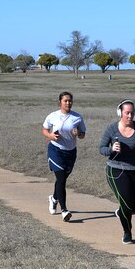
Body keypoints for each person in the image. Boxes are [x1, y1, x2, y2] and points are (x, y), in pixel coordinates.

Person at [99, 100, 135, 244]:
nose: (130, 116)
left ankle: (121, 211)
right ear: (120, 113)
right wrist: (111, 150)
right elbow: (101, 149)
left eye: (132, 113)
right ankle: (127, 232)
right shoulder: (112, 129)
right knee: (126, 203)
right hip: (116, 170)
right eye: (126, 113)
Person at [42, 92, 86, 222]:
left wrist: (79, 133)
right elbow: (44, 130)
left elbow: (83, 134)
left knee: (62, 180)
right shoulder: (53, 116)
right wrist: (50, 136)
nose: (68, 103)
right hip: (55, 150)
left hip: (70, 152)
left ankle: (54, 198)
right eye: (65, 101)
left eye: (70, 101)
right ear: (60, 102)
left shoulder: (77, 117)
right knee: (61, 179)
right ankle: (65, 210)